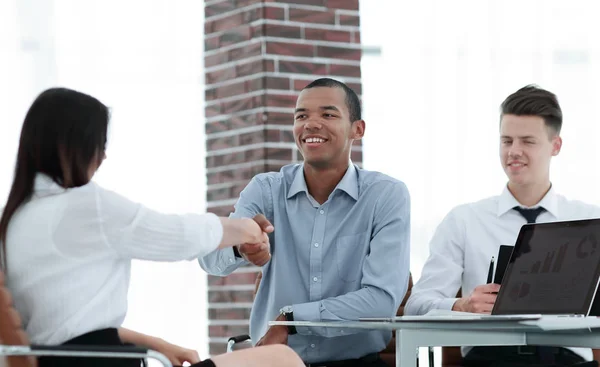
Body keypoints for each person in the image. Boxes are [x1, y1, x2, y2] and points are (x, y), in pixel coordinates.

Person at [0, 87, 304, 367]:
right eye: (100, 144)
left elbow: (66, 327)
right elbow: (178, 235)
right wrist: (247, 229)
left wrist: (157, 343)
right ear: (75, 145)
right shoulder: (82, 206)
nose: (103, 156)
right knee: (281, 359)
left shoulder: (17, 216)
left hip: (67, 360)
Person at [199, 78, 411, 366]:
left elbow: (381, 301)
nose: (310, 124)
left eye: (328, 114)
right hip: (275, 362)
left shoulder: (385, 196)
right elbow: (209, 258)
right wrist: (240, 246)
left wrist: (291, 319)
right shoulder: (266, 190)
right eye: (301, 116)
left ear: (357, 130)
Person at [405, 85, 600, 366]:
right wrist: (461, 305)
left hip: (569, 360)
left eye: (527, 141)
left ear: (555, 146)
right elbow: (416, 306)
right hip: (490, 359)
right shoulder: (464, 220)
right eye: (506, 140)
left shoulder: (589, 222)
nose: (514, 152)